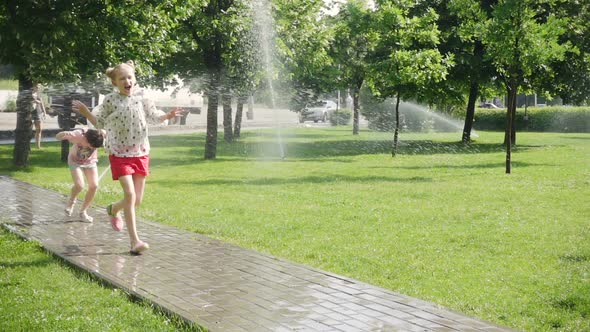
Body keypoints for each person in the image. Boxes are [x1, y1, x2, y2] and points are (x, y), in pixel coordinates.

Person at [73, 60, 184, 255]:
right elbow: (99, 121)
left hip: (141, 152)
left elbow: (153, 116)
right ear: (115, 83)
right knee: (130, 195)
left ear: (135, 79)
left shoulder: (142, 96)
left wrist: (167, 115)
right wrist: (86, 112)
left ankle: (113, 209)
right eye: (122, 78)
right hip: (119, 153)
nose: (127, 81)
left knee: (137, 200)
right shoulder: (110, 100)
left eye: (130, 77)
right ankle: (135, 241)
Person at [56, 128, 106, 222]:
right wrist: (63, 133)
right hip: (75, 161)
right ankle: (71, 202)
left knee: (94, 186)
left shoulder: (100, 135)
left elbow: (105, 132)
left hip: (90, 162)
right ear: (86, 139)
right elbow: (57, 137)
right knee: (79, 185)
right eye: (90, 145)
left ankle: (83, 212)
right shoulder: (78, 135)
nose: (92, 148)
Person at [32, 84, 47, 149]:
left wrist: (44, 112)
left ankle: (38, 146)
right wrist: (34, 101)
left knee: (39, 129)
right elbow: (27, 102)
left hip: (39, 113)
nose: (38, 88)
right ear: (33, 87)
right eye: (37, 87)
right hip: (32, 113)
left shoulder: (38, 95)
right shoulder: (30, 95)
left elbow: (42, 104)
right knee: (30, 129)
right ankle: (27, 145)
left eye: (39, 87)